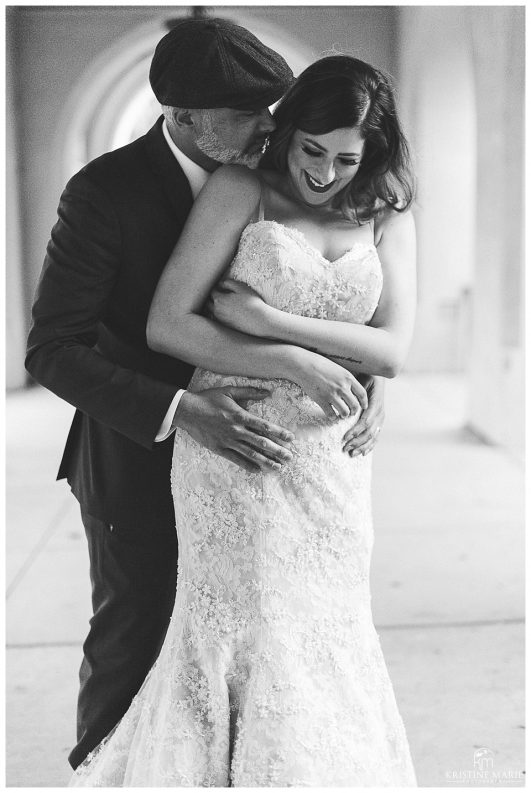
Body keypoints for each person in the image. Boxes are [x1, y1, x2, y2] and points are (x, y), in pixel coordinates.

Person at [25, 17, 384, 772]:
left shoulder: (282, 172)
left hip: (271, 465)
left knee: (258, 650)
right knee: (134, 638)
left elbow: (328, 286)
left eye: (271, 106)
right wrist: (183, 411)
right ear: (185, 117)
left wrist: (362, 373)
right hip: (139, 449)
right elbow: (53, 347)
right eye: (246, 112)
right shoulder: (104, 192)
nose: (269, 124)